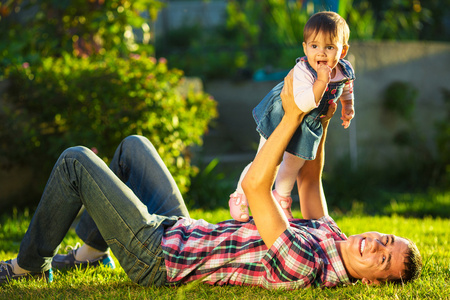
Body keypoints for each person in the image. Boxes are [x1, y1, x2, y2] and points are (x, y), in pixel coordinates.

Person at [0, 71, 421, 288]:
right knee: (133, 146)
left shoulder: (307, 265)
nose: (374, 246)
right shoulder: (332, 235)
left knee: (76, 161)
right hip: (186, 231)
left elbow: (258, 186)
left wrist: (292, 114)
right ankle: (91, 256)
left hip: (160, 259)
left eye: (382, 260)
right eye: (385, 239)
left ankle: (28, 267)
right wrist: (323, 116)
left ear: (369, 281)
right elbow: (310, 178)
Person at [229, 11, 356, 222]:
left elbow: (346, 86)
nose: (321, 53)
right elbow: (304, 103)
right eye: (314, 46)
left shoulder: (343, 70)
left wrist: (348, 106)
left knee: (294, 163)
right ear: (305, 48)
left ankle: (282, 198)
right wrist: (321, 82)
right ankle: (240, 196)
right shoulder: (304, 70)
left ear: (342, 51)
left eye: (329, 47)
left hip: (309, 123)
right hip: (282, 115)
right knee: (267, 160)